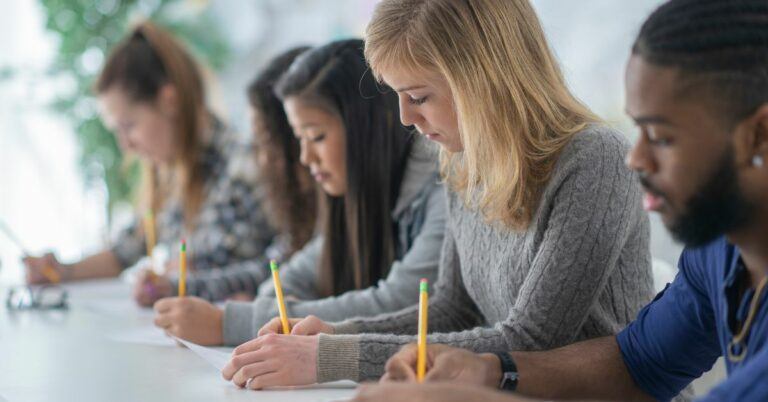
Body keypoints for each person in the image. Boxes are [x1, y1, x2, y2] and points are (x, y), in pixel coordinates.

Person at [220, 0, 653, 391]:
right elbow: (450, 309)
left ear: (482, 79)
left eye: (419, 97)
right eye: (399, 98)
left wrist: (334, 357)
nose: (406, 118)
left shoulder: (595, 159)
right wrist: (335, 334)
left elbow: (532, 341)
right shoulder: (461, 160)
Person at [360, 1, 768, 401]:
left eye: (660, 137)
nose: (636, 159)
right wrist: (489, 370)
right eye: (638, 130)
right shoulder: (718, 253)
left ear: (760, 135)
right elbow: (640, 363)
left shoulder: (592, 158)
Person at [152, 39, 446, 348]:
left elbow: (401, 302)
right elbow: (289, 279)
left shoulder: (439, 190)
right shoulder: (349, 200)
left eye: (316, 137)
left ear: (367, 130)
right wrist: (267, 311)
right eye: (299, 139)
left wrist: (233, 323)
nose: (305, 157)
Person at [23, 22, 277, 290]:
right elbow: (123, 253)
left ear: (169, 100)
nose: (126, 146)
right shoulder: (168, 177)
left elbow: (289, 269)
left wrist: (188, 283)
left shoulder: (247, 166)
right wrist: (61, 271)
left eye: (129, 126)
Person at [131, 46, 318, 305]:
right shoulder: (171, 178)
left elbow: (267, 272)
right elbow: (276, 268)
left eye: (129, 126)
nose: (261, 160)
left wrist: (235, 317)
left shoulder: (238, 167)